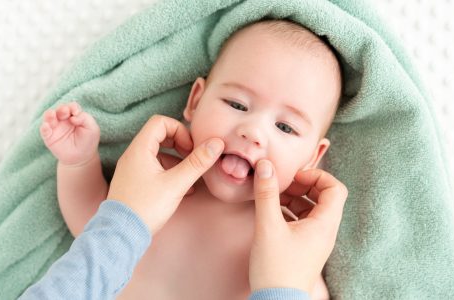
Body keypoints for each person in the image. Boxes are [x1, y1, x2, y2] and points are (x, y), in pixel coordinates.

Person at [30, 19, 345, 299]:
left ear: (312, 157)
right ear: (195, 100)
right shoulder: (158, 185)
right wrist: (79, 162)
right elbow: (93, 224)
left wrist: (298, 286)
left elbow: (298, 284)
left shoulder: (286, 244)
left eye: (285, 127)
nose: (253, 132)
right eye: (237, 104)